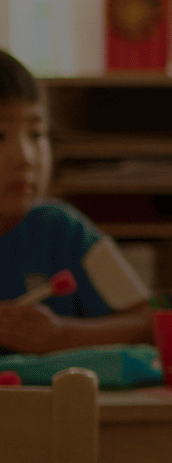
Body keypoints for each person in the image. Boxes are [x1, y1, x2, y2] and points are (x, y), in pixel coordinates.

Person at [0, 49, 153, 353]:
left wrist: (62, 337)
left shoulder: (65, 231)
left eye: (37, 133)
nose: (26, 158)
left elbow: (150, 325)